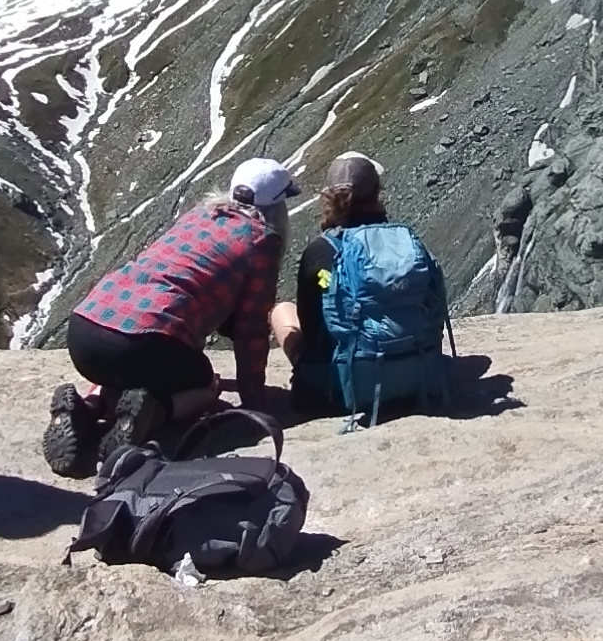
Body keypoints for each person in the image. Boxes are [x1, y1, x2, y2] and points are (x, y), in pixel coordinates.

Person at [41, 158, 291, 478]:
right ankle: (154, 415)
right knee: (204, 385)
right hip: (147, 341)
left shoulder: (201, 214)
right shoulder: (262, 240)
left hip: (86, 330)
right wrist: (253, 399)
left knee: (123, 369)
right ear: (277, 206)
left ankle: (86, 408)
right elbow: (251, 330)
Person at [271, 151, 453, 423]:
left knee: (283, 310)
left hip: (343, 392)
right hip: (420, 375)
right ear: (376, 193)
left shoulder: (320, 251)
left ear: (329, 197)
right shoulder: (403, 243)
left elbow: (311, 325)